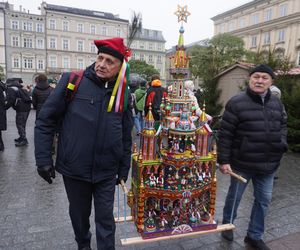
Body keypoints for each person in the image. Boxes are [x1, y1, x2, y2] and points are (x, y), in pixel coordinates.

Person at [34, 37, 133, 250]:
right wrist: (43, 159)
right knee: (79, 215)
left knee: (106, 218)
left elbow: (126, 134)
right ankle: (83, 244)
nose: (102, 64)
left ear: (120, 67)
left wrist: (124, 168)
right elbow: (45, 120)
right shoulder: (73, 81)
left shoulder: (123, 92)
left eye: (109, 61)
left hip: (106, 170)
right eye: (100, 58)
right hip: (74, 168)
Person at [218, 64, 287, 250]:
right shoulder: (237, 102)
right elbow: (225, 134)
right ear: (250, 79)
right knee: (234, 197)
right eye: (256, 76)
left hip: (269, 164)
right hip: (242, 163)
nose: (260, 80)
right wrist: (224, 161)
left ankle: (254, 236)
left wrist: (282, 143)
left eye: (265, 78)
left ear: (271, 82)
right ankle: (227, 224)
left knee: (263, 201)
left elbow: (283, 125)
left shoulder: (276, 103)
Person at [10, 79, 32, 147]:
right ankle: (21, 137)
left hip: (21, 110)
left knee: (19, 124)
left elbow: (12, 100)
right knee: (22, 124)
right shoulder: (23, 90)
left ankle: (24, 139)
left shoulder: (16, 90)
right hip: (26, 109)